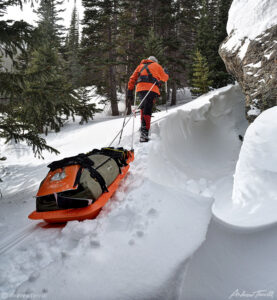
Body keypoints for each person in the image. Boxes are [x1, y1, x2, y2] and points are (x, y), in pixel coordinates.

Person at [127, 56, 169, 142]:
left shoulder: (140, 66)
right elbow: (164, 78)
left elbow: (132, 79)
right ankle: (144, 132)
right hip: (151, 89)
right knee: (147, 109)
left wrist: (129, 91)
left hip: (140, 89)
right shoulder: (157, 66)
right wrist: (166, 73)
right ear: (155, 61)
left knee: (144, 107)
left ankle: (143, 128)